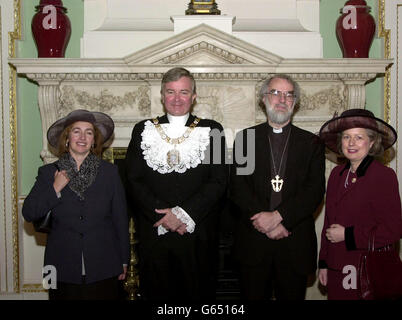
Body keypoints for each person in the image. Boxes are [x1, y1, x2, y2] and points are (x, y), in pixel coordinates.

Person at [125, 67, 228, 301]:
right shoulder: (143, 129)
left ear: (193, 97)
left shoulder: (213, 129)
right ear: (162, 96)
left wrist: (183, 214)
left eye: (184, 92)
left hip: (197, 234)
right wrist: (165, 216)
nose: (177, 98)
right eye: (170, 92)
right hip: (155, 234)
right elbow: (133, 180)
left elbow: (219, 180)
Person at [229, 74, 326, 300]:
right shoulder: (246, 139)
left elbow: (314, 190)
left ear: (295, 102)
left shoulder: (311, 143)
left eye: (288, 94)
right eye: (275, 93)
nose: (282, 99)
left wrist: (280, 217)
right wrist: (263, 220)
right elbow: (238, 187)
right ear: (264, 99)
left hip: (294, 242)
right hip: (253, 243)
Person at [22, 109, 129, 300]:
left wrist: (123, 259)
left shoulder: (110, 172)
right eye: (76, 131)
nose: (82, 137)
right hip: (59, 264)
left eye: (88, 132)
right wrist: (55, 188)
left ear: (94, 140)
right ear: (66, 138)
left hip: (104, 263)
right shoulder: (48, 172)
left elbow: (120, 219)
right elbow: (29, 212)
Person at [318, 108, 402, 300]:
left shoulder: (383, 176)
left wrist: (347, 235)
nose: (351, 143)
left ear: (372, 142)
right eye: (347, 137)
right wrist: (323, 263)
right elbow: (328, 224)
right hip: (336, 267)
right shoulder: (336, 175)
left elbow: (394, 229)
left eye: (359, 137)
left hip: (366, 269)